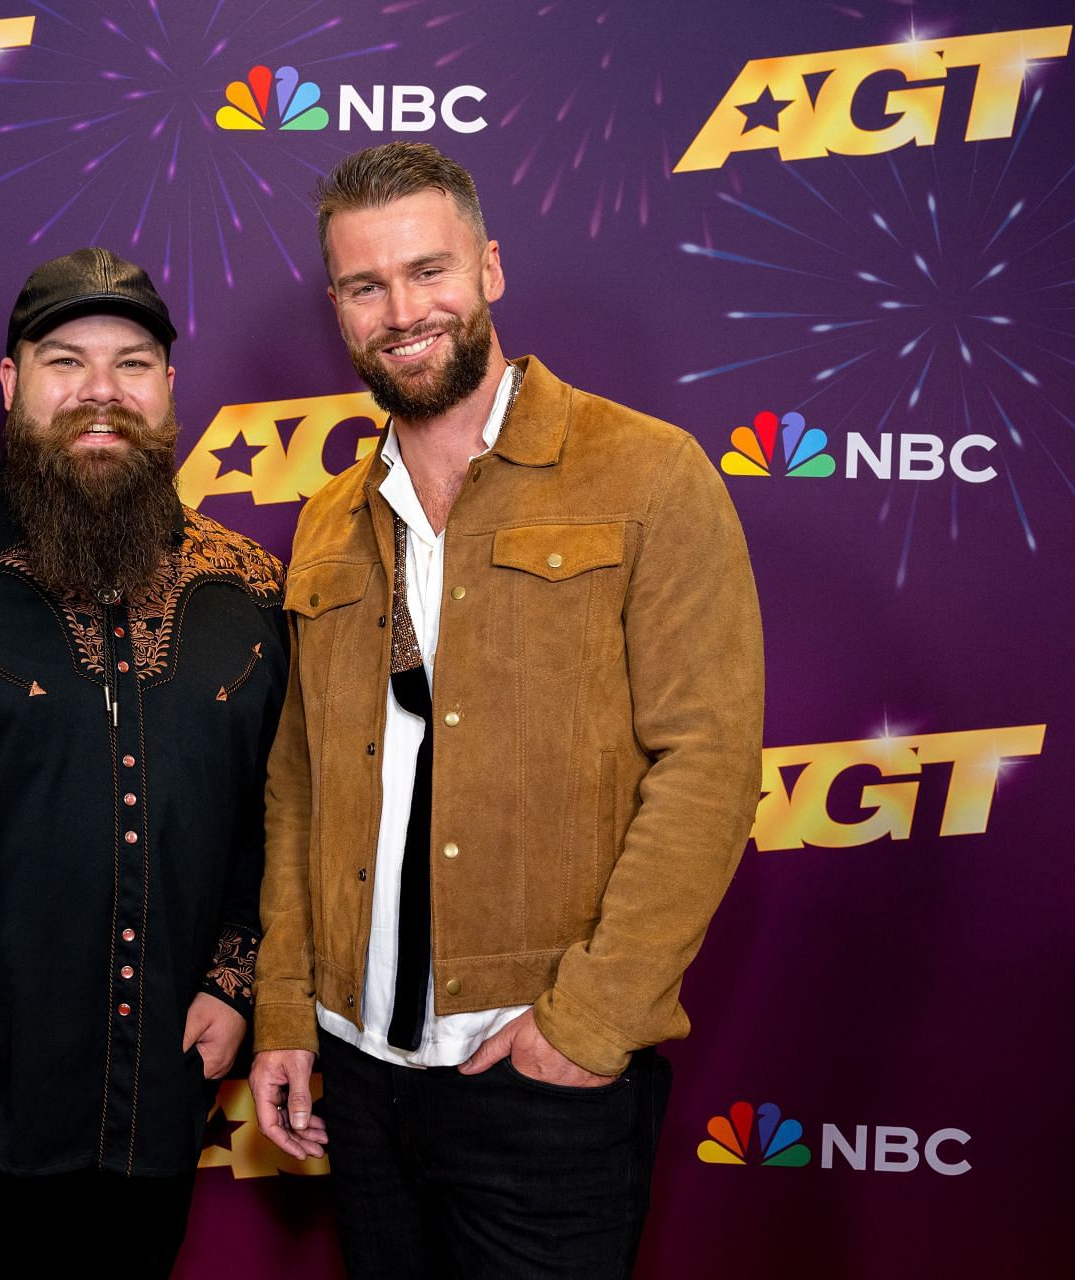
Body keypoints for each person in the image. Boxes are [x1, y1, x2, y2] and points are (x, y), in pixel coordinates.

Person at [249, 141, 764, 1278]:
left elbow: (711, 764)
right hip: (362, 1078)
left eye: (428, 271)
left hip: (541, 1074)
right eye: (365, 284)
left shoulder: (647, 473)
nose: (403, 310)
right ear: (336, 304)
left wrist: (587, 1024)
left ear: (489, 268)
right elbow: (299, 788)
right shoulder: (330, 517)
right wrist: (285, 1008)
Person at [0, 248, 287, 1278]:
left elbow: (289, 816)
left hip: (148, 1120)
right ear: (11, 384)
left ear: (170, 390)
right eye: (64, 360)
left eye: (132, 363)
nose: (101, 391)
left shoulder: (254, 589)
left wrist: (237, 978)